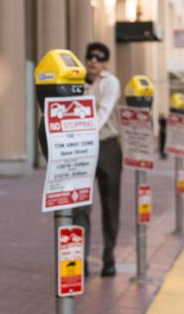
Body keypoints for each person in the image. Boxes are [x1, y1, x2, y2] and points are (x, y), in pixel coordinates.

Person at [73, 42, 121, 277]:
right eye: (89, 56)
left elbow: (103, 111)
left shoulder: (110, 82)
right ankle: (79, 258)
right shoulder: (76, 82)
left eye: (98, 58)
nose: (93, 61)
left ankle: (109, 257)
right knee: (80, 205)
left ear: (106, 63)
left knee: (110, 205)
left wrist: (84, 130)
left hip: (107, 146)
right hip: (82, 147)